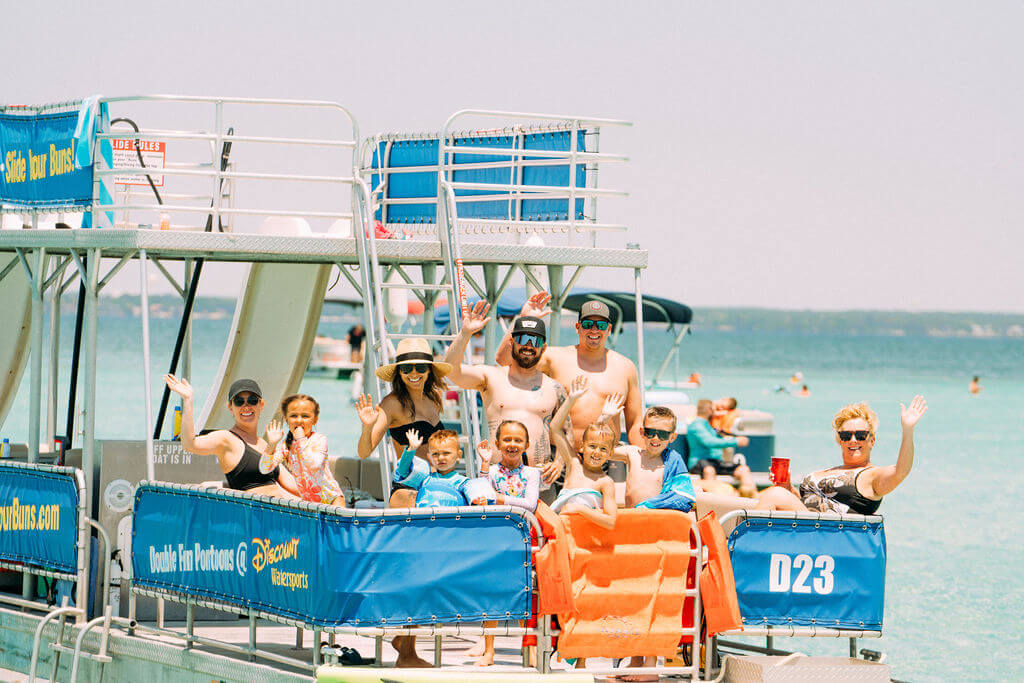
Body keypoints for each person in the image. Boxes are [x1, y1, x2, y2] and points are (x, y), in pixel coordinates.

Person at [444, 301, 567, 501]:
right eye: (523, 339)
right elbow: (450, 371)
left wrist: (560, 463)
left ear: (543, 348)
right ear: (512, 342)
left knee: (543, 534)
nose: (528, 346)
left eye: (535, 341)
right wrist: (465, 333)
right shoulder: (491, 378)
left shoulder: (554, 388)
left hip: (540, 484)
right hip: (495, 483)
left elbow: (565, 432)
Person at [496, 293, 644, 449]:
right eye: (587, 324)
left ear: (608, 329)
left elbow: (634, 422)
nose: (594, 330)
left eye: (600, 325)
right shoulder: (555, 358)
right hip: (559, 457)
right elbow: (504, 360)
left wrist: (645, 463)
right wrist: (524, 319)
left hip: (604, 458)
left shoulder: (626, 367)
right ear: (578, 328)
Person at [756, 396, 928, 514]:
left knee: (774, 496)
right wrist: (788, 488)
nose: (853, 440)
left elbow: (901, 471)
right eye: (846, 436)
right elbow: (806, 504)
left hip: (826, 535)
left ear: (872, 440)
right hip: (802, 526)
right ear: (840, 440)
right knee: (763, 496)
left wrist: (908, 430)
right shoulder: (828, 470)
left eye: (860, 435)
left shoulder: (871, 475)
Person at [471, 420, 541, 667]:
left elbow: (531, 504)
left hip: (521, 539)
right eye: (507, 440)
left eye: (518, 440)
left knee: (523, 594)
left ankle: (530, 650)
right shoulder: (489, 471)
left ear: (527, 445)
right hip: (493, 539)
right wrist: (483, 462)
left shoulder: (533, 473)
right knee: (491, 594)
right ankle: (489, 650)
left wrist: (497, 498)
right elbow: (480, 494)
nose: (512, 445)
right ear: (498, 444)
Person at [162, 375, 299, 499]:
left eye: (252, 400)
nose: (246, 406)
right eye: (239, 401)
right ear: (230, 407)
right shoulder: (226, 438)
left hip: (282, 514)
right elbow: (190, 445)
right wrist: (188, 400)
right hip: (255, 516)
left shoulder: (264, 444)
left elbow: (292, 486)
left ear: (261, 405)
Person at [355, 337, 453, 508]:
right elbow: (364, 453)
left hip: (438, 485)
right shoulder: (392, 404)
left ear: (429, 370)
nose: (414, 374)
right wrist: (367, 427)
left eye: (421, 367)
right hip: (410, 489)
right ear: (399, 373)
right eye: (407, 368)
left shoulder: (434, 397)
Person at [548, 376, 618, 529]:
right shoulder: (574, 465)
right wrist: (571, 400)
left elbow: (611, 522)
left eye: (603, 449)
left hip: (583, 538)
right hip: (561, 532)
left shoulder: (605, 482)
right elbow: (555, 428)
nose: (597, 452)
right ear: (581, 448)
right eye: (592, 446)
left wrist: (580, 509)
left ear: (610, 454)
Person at [260, 394, 344, 506]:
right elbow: (264, 469)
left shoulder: (319, 440)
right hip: (311, 504)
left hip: (333, 501)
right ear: (286, 420)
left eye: (305, 416)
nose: (299, 420)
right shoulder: (287, 446)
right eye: (293, 416)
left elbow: (313, 465)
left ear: (315, 420)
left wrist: (300, 439)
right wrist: (272, 445)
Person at [687, 399, 756, 496]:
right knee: (709, 470)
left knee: (743, 469)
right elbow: (709, 442)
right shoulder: (696, 425)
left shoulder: (708, 425)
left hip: (716, 462)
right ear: (709, 410)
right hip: (700, 462)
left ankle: (752, 498)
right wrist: (736, 441)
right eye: (714, 410)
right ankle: (712, 502)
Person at [393, 429, 471, 507]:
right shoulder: (425, 479)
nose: (440, 457)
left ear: (459, 455)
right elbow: (402, 471)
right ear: (429, 457)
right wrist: (411, 449)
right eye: (435, 454)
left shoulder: (462, 482)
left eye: (446, 453)